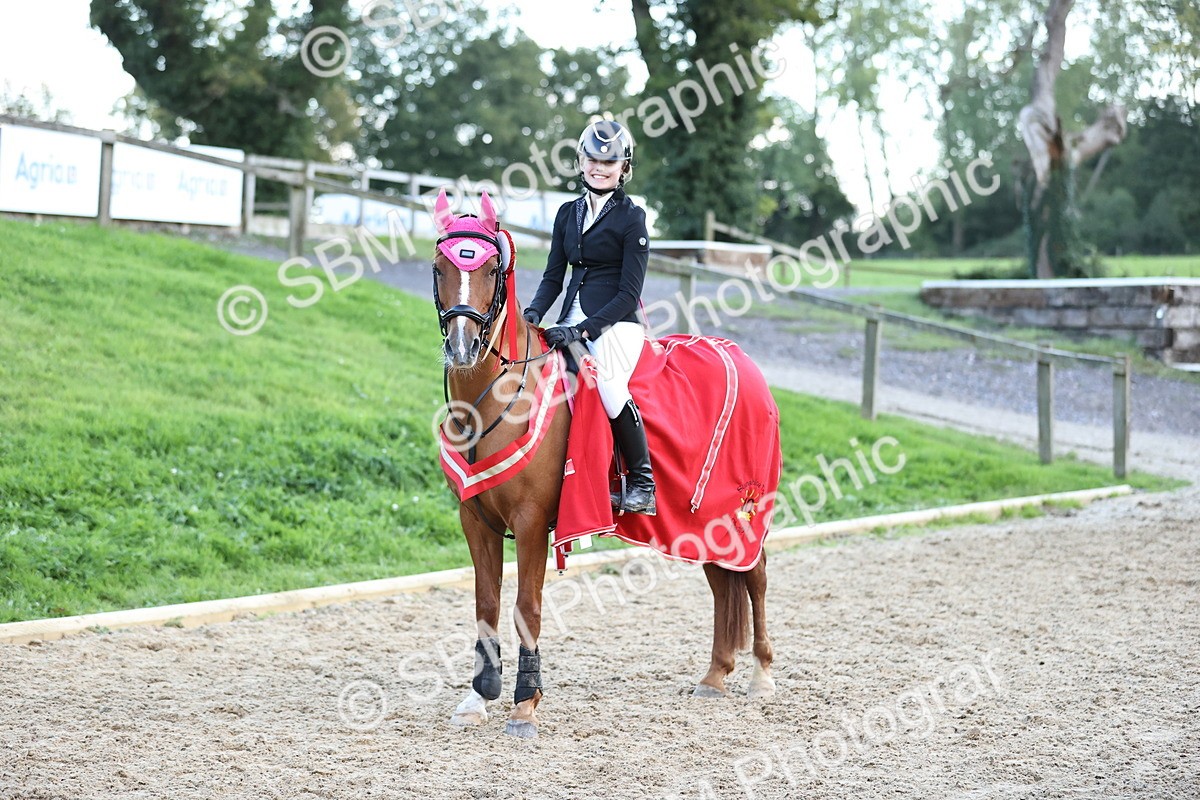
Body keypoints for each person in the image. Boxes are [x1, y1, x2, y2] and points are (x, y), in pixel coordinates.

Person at [523, 119, 656, 516]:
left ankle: (642, 482)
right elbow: (552, 276)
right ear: (580, 162)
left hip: (617, 324)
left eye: (608, 161)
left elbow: (628, 293)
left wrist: (582, 330)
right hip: (568, 320)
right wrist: (532, 315)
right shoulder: (567, 213)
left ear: (624, 168)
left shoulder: (632, 219)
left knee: (610, 384)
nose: (599, 167)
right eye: (592, 159)